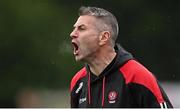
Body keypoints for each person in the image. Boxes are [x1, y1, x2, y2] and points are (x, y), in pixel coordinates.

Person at [69, 6, 173, 108]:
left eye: (81, 28)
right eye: (74, 29)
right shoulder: (78, 82)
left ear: (104, 37)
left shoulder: (138, 76)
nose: (72, 34)